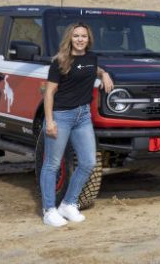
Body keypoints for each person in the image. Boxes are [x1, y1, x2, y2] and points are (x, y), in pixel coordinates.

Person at [41, 22, 114, 227]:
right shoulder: (60, 61)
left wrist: (104, 73)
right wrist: (50, 121)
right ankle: (48, 210)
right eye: (76, 36)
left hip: (83, 117)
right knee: (52, 165)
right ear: (70, 38)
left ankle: (68, 204)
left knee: (88, 162)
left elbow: (91, 68)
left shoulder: (91, 58)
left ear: (88, 39)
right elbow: (49, 93)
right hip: (61, 116)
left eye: (83, 36)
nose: (80, 39)